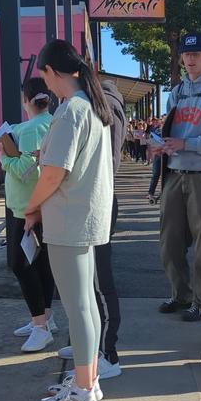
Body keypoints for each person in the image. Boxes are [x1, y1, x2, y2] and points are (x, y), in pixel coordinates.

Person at [23, 40, 113, 401]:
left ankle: (83, 390)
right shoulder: (90, 107)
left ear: (51, 72)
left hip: (69, 219)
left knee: (78, 307)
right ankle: (86, 381)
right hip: (86, 216)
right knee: (85, 304)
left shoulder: (71, 111)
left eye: (43, 74)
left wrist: (31, 208)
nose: (43, 84)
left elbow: (53, 172)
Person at [155, 33, 201, 322]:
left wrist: (188, 145)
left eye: (196, 53)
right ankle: (180, 294)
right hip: (174, 172)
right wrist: (160, 144)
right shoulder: (177, 91)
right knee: (169, 240)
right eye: (186, 54)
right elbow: (172, 130)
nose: (190, 58)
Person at [57, 77, 126, 380]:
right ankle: (88, 344)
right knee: (84, 283)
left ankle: (108, 353)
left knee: (99, 280)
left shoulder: (102, 107)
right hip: (92, 201)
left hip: (96, 202)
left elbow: (98, 162)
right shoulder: (96, 106)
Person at [2, 77, 57, 353]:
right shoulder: (50, 122)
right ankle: (44, 317)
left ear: (26, 101)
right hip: (40, 205)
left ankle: (40, 326)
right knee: (41, 264)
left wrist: (4, 156)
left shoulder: (30, 128)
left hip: (26, 206)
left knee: (21, 265)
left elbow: (25, 168)